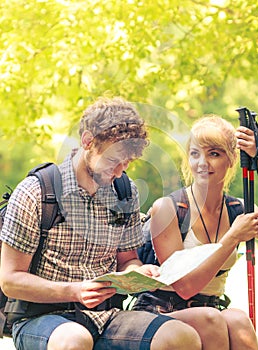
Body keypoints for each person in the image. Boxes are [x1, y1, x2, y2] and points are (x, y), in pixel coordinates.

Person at [0, 97, 206, 350]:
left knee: (182, 336)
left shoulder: (125, 192)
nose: (120, 171)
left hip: (107, 317)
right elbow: (9, 280)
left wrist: (136, 272)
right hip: (42, 319)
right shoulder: (36, 192)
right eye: (113, 161)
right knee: (75, 340)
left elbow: (127, 259)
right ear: (88, 142)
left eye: (127, 163)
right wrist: (74, 291)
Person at [133, 115, 258, 350]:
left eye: (214, 153)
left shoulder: (238, 211)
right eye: (195, 154)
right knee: (211, 320)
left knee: (238, 320)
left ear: (232, 158)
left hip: (211, 309)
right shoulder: (169, 209)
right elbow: (185, 288)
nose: (203, 162)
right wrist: (232, 237)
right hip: (161, 311)